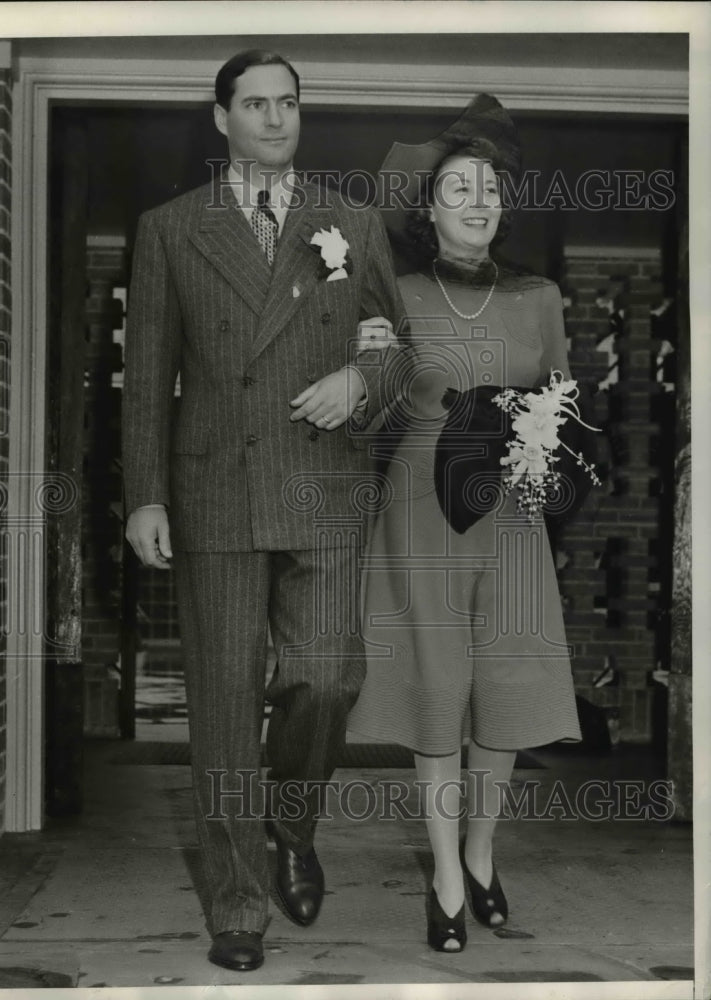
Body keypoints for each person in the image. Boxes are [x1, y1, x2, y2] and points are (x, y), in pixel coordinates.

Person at [122, 50, 404, 973]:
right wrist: (145, 495)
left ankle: (292, 819)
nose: (275, 119)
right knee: (222, 708)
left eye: (288, 103)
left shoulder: (353, 223)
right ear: (220, 118)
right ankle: (239, 901)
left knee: (326, 679)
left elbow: (398, 352)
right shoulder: (169, 229)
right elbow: (147, 378)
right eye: (255, 104)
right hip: (216, 488)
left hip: (321, 484)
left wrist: (359, 378)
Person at [347, 94, 582, 953]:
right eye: (457, 187)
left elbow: (562, 409)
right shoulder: (395, 295)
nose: (476, 200)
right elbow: (367, 418)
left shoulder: (540, 297)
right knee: (437, 683)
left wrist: (535, 432)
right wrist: (370, 356)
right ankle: (445, 872)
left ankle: (482, 853)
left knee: (507, 685)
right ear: (428, 207)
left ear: (502, 203)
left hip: (511, 513)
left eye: (488, 186)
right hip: (419, 510)